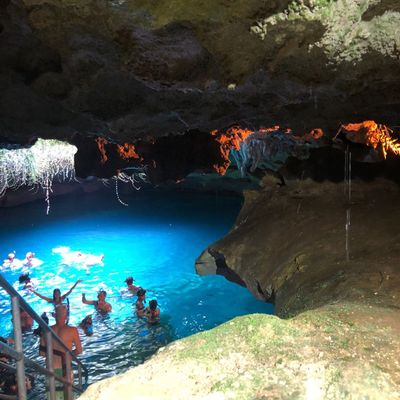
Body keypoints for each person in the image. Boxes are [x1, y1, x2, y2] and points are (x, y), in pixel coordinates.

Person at [39, 306, 82, 400]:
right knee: (68, 397)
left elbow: (42, 353)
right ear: (66, 316)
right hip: (65, 368)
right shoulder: (73, 330)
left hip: (50, 368)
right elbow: (79, 350)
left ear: (54, 315)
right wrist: (68, 356)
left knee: (53, 397)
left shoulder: (46, 330)